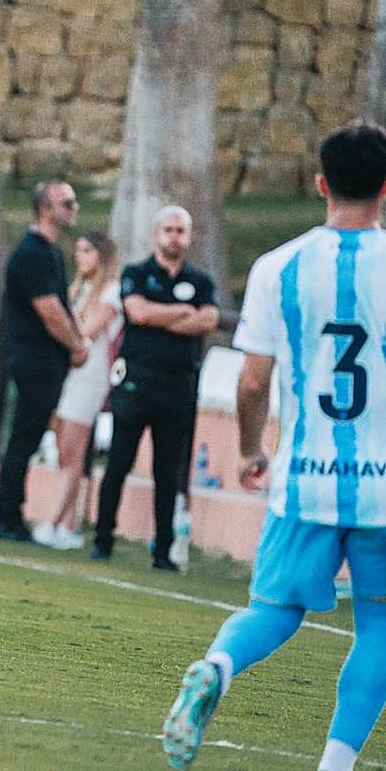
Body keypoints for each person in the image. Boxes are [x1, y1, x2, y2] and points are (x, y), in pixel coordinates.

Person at [163, 122, 386, 770]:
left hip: (304, 478)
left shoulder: (278, 267)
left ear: (321, 185)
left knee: (274, 609)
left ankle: (217, 665)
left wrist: (251, 449)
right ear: (384, 188)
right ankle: (335, 764)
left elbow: (254, 380)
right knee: (378, 627)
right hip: (381, 488)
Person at [91, 206, 219, 571]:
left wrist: (161, 314)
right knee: (119, 462)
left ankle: (163, 550)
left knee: (168, 472)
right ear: (155, 234)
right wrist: (183, 312)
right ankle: (102, 539)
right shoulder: (137, 273)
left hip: (177, 386)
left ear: (189, 236)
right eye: (168, 229)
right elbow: (138, 313)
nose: (174, 236)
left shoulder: (200, 281)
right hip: (137, 382)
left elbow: (209, 319)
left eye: (181, 230)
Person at [0, 181, 89, 542]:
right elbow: (50, 311)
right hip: (35, 359)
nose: (74, 208)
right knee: (24, 437)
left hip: (48, 359)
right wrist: (77, 345)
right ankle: (8, 517)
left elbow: (61, 305)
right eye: (67, 202)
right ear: (45, 209)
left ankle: (10, 514)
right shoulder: (31, 254)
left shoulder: (50, 253)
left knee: (27, 437)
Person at [31, 231, 121, 551]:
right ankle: (68, 524)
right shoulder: (79, 288)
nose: (80, 256)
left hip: (89, 376)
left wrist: (62, 333)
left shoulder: (111, 292)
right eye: (79, 250)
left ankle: (55, 521)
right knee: (63, 448)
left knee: (73, 449)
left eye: (87, 251)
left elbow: (86, 332)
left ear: (101, 256)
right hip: (68, 373)